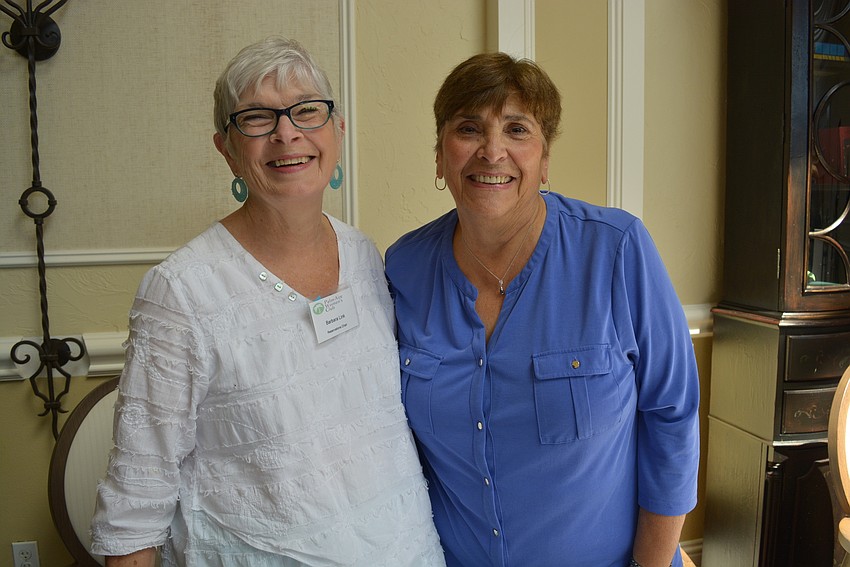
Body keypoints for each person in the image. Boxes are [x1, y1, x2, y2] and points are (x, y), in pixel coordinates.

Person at [90, 37, 445, 567]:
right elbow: (135, 503)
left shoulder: (365, 256)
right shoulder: (183, 291)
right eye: (256, 118)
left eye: (307, 111)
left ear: (337, 131)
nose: (287, 133)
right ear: (226, 148)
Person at [385, 52, 700, 567]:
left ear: (545, 158)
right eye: (469, 129)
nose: (492, 151)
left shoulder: (617, 250)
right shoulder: (403, 269)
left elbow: (672, 414)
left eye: (516, 129)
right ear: (440, 156)